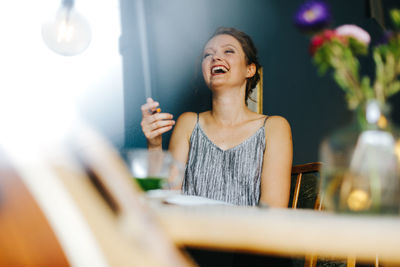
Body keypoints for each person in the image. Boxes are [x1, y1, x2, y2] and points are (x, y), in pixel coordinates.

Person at [141, 27, 292, 207]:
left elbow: (273, 211)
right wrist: (155, 144)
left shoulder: (274, 127)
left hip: (248, 234)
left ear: (250, 69)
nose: (215, 58)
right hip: (190, 233)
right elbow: (166, 199)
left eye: (228, 51)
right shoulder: (188, 123)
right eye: (207, 55)